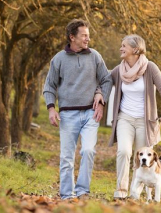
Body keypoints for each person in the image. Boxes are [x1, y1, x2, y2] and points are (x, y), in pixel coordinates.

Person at [94, 34, 161, 199]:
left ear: (135, 49)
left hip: (145, 121)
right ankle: (121, 192)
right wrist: (100, 95)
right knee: (123, 151)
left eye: (124, 46)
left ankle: (135, 192)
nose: (121, 48)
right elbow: (106, 82)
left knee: (142, 157)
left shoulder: (150, 68)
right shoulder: (120, 69)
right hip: (125, 118)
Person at [43, 19, 112, 200]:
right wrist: (51, 109)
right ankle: (66, 196)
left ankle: (82, 192)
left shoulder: (95, 56)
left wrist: (101, 97)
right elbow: (49, 86)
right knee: (67, 157)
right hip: (67, 115)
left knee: (88, 151)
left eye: (88, 35)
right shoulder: (58, 59)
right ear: (72, 37)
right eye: (84, 35)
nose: (88, 39)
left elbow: (106, 79)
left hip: (91, 112)